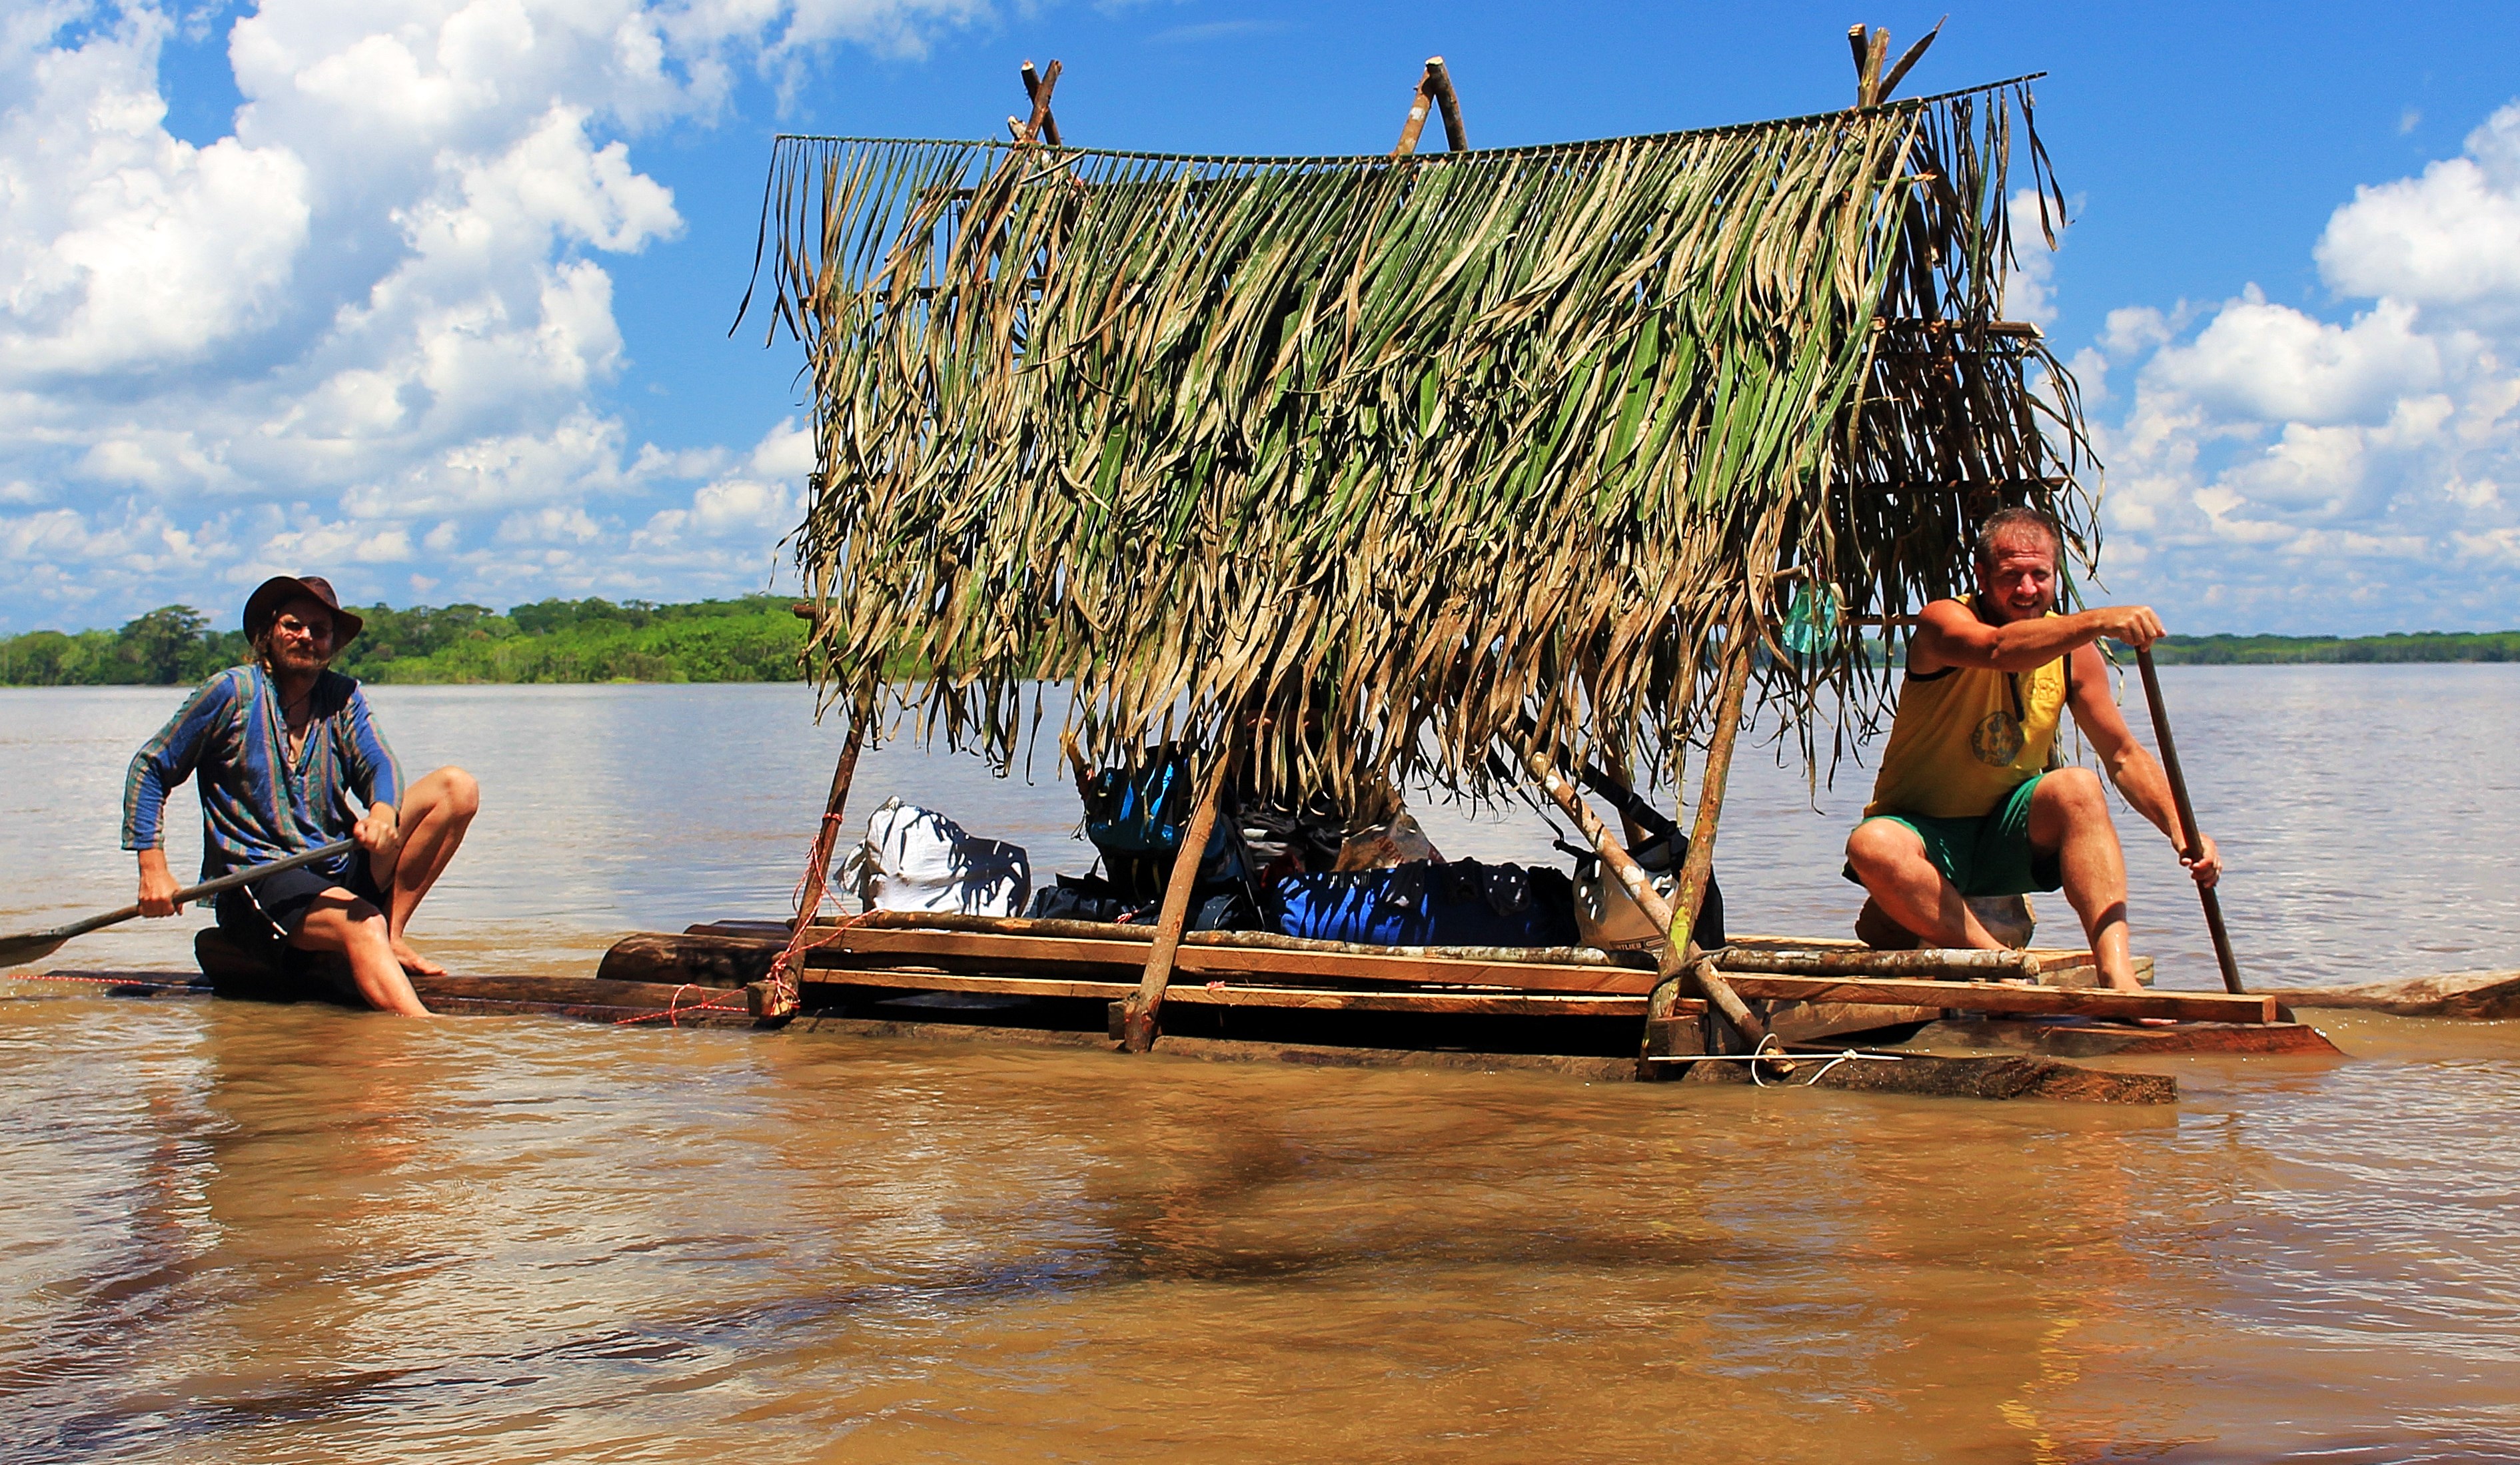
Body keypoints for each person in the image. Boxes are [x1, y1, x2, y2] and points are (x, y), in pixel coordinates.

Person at [1843, 508, 2220, 994]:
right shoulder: (1942, 620)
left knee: (2078, 786)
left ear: (2055, 575)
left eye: (2040, 575)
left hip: (2006, 834)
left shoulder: (2073, 649)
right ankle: (1993, 958)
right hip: (1924, 835)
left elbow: (2123, 755)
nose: (2027, 590)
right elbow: (1999, 647)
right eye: (2010, 576)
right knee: (1870, 844)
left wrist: (2184, 831)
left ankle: (2117, 974)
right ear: (1980, 576)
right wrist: (2099, 620)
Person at [122, 575, 480, 1015]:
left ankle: (392, 936)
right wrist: (152, 868)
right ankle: (421, 1038)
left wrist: (383, 812)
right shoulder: (231, 693)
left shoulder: (342, 696)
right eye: (294, 624)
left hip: (334, 861)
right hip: (260, 876)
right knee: (363, 921)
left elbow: (378, 762)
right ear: (268, 633)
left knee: (456, 787)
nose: (306, 636)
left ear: (331, 643)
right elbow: (150, 766)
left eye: (320, 629)